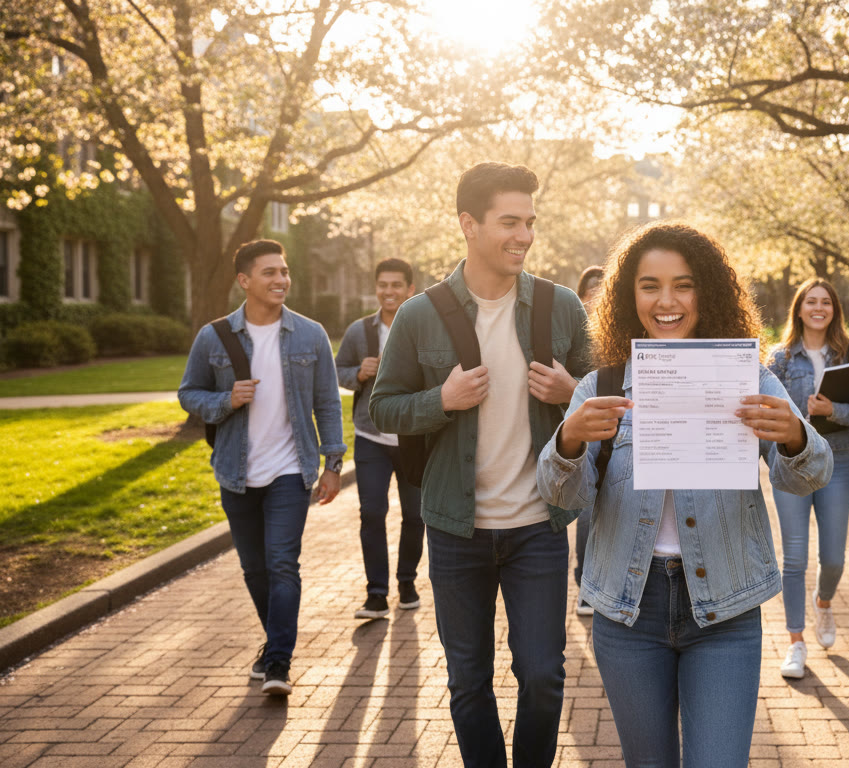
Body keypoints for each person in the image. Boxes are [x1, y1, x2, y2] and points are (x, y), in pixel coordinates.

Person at [537, 222, 833, 768]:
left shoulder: (751, 377)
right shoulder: (600, 385)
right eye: (650, 285)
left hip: (724, 609)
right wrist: (568, 441)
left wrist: (793, 436)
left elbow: (807, 477)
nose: (666, 300)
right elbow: (564, 499)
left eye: (684, 284)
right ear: (630, 296)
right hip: (629, 612)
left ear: (709, 292)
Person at [368, 162, 590, 768]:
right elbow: (380, 407)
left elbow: (609, 398)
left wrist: (574, 392)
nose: (524, 236)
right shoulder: (421, 314)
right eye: (509, 222)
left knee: (543, 676)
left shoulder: (560, 307)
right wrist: (440, 400)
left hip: (538, 526)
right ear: (468, 224)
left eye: (530, 223)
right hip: (455, 528)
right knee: (468, 682)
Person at [178, 239, 345, 697]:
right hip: (236, 471)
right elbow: (189, 393)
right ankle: (274, 642)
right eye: (270, 272)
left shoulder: (310, 335)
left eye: (285, 271)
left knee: (282, 563)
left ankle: (277, 662)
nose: (281, 280)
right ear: (244, 281)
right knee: (254, 568)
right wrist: (226, 400)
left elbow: (327, 402)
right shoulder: (215, 337)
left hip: (291, 470)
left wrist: (334, 462)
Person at [766, 278, 849, 678]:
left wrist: (833, 411)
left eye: (825, 302)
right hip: (791, 464)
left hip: (838, 461)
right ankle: (796, 641)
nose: (818, 307)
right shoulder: (778, 359)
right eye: (810, 301)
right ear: (799, 309)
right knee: (793, 557)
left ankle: (824, 603)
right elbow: (765, 411)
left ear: (834, 309)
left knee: (833, 557)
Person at [335, 257, 424, 619]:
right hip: (370, 435)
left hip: (413, 436)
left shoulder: (423, 327)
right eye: (383, 285)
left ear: (410, 289)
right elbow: (338, 372)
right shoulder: (360, 332)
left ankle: (406, 581)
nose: (389, 291)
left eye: (396, 285)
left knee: (415, 515)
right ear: (376, 288)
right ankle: (376, 592)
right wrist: (358, 372)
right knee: (372, 512)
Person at [571, 264, 604, 617]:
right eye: (590, 290)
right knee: (586, 507)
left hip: (617, 425)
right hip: (584, 426)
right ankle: (584, 583)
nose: (595, 296)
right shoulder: (577, 334)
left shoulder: (622, 329)